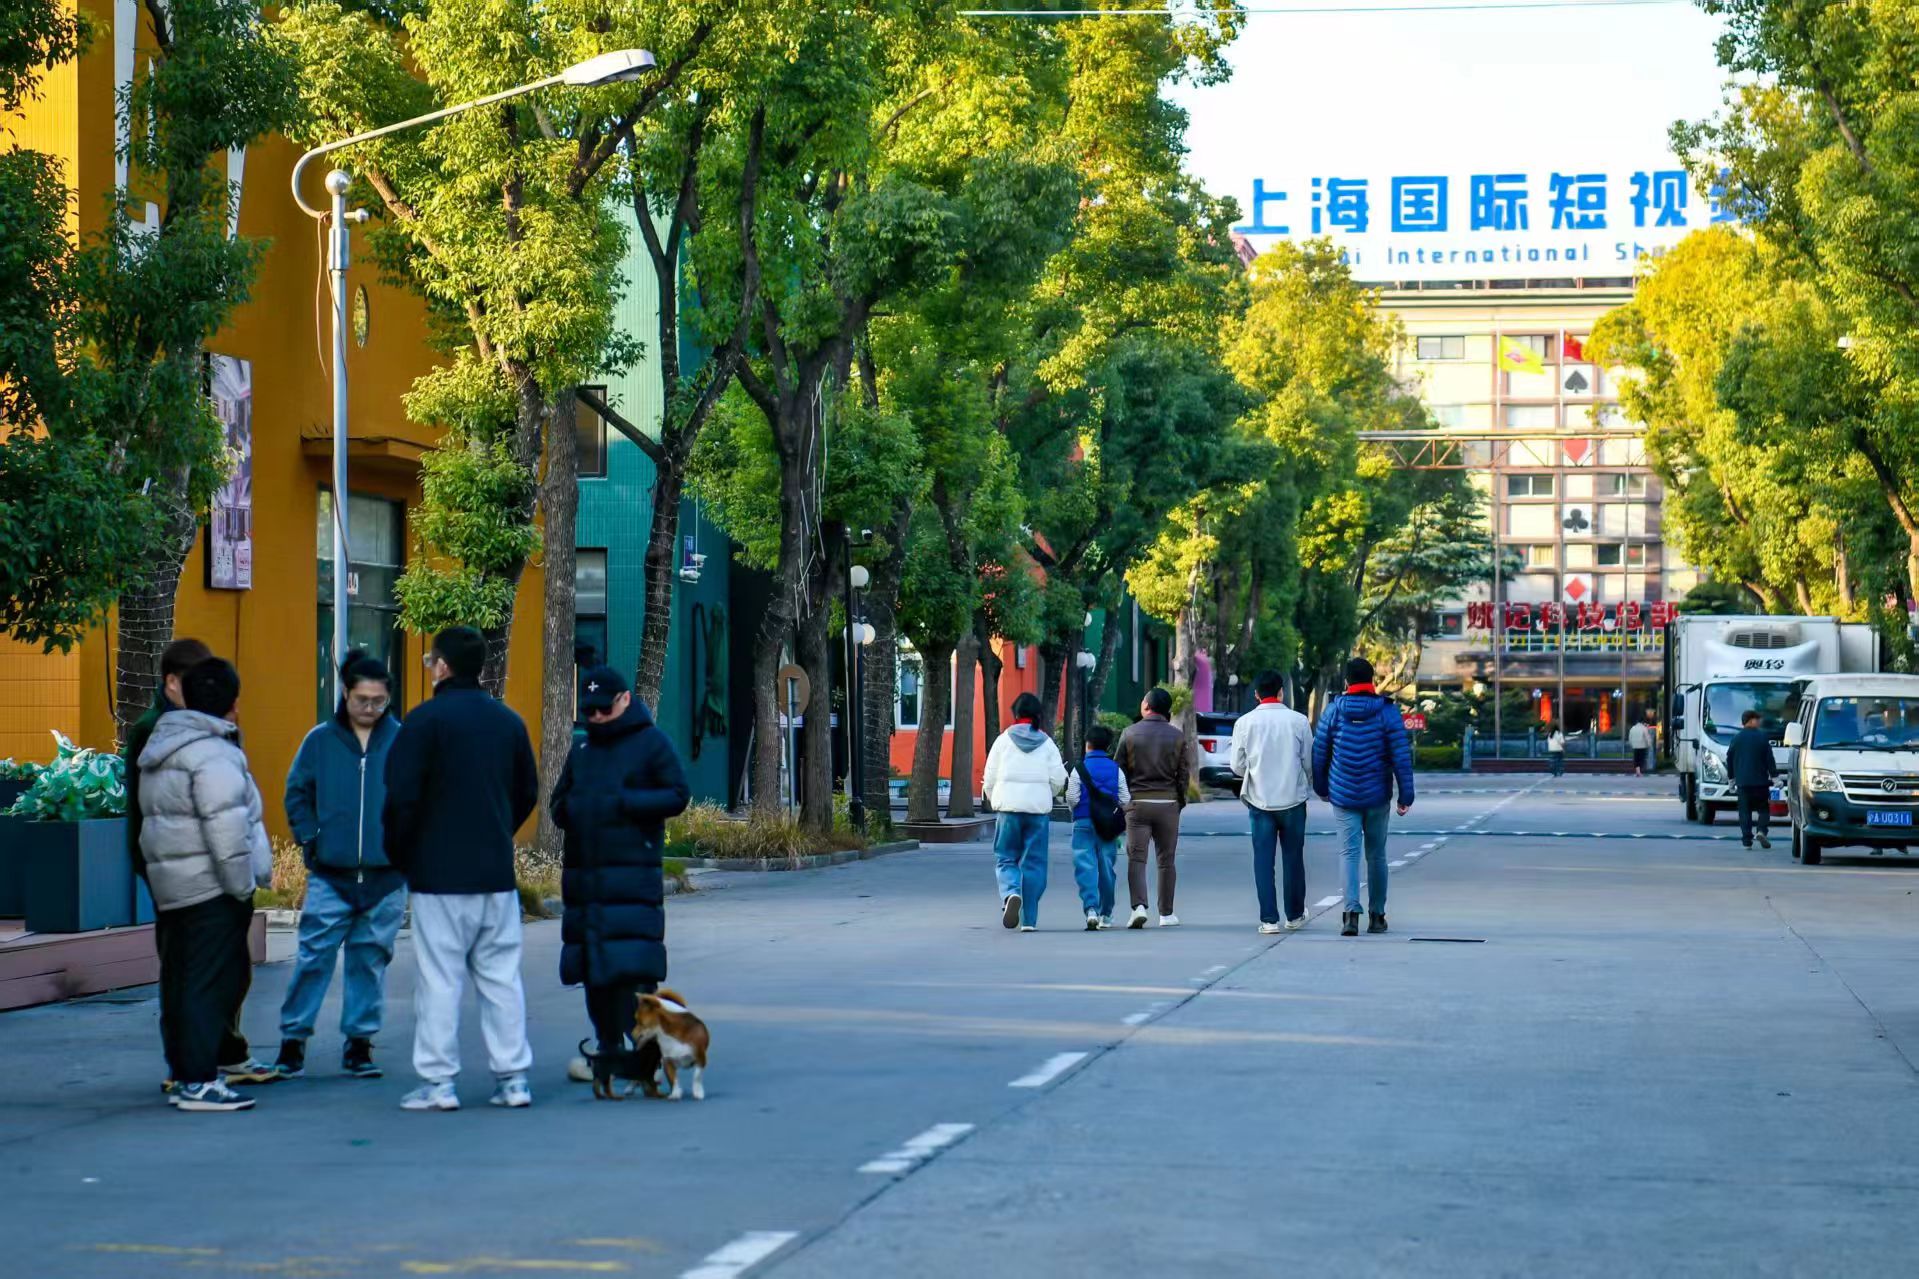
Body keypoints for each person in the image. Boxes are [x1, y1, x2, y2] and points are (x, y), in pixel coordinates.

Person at [384, 626, 540, 1112]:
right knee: (501, 977)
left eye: (432, 661)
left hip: (438, 875)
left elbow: (401, 799)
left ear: (443, 667)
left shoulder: (422, 723)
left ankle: (439, 1082)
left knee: (439, 980)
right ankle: (513, 1078)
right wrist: (498, 829)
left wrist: (404, 855)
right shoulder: (508, 722)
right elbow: (527, 791)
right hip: (494, 872)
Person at [128, 639, 278, 1094]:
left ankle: (198, 1065)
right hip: (206, 884)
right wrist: (242, 886)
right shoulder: (205, 748)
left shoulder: (165, 738)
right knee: (204, 979)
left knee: (191, 977)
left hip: (174, 877)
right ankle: (197, 1076)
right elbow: (226, 827)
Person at [550, 666, 691, 1094]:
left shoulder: (651, 743)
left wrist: (625, 803)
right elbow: (558, 804)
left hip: (632, 878)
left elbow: (677, 794)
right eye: (589, 710)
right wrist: (579, 809)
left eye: (604, 709)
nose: (596, 717)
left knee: (633, 970)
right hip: (588, 880)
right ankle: (607, 1050)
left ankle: (648, 1054)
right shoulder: (583, 749)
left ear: (625, 700)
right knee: (594, 972)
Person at [273, 651, 406, 1081]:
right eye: (362, 699)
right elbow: (297, 792)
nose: (370, 708)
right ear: (345, 693)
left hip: (386, 877)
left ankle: (360, 1045)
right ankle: (293, 1042)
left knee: (369, 960)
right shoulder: (320, 741)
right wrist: (310, 838)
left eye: (379, 701)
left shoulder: (402, 741)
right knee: (313, 957)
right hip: (331, 874)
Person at [1313, 657, 1415, 939]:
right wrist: (1406, 795)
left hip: (1343, 794)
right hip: (1377, 795)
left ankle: (1350, 915)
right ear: (1371, 680)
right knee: (1376, 854)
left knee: (1348, 853)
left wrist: (1322, 788)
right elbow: (1401, 756)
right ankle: (1377, 916)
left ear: (1346, 681)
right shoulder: (1387, 712)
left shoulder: (1333, 711)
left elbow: (1319, 753)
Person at [1232, 670, 1313, 934]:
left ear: (1256, 694)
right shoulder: (1299, 721)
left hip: (1259, 801)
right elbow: (1309, 761)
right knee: (1293, 859)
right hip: (1293, 800)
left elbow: (1236, 765)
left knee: (1263, 861)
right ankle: (1295, 915)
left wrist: (1254, 772)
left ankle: (1268, 920)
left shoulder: (1244, 723)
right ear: (1281, 692)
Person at [981, 692, 1067, 932]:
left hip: (1008, 809)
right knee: (1035, 863)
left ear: (1015, 713)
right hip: (1037, 812)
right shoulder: (1047, 744)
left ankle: (1011, 893)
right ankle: (1029, 919)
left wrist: (994, 798)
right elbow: (1058, 780)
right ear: (1038, 714)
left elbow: (989, 777)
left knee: (1006, 857)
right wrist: (1047, 793)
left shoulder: (1002, 741)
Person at [1115, 687, 1191, 928]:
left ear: (1146, 706)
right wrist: (1179, 802)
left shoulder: (1129, 733)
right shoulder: (1177, 736)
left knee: (1137, 858)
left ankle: (1138, 907)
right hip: (1168, 803)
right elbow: (1183, 774)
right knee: (1166, 860)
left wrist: (1125, 802)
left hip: (1137, 803)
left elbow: (1119, 771)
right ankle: (1166, 914)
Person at [1065, 723, 1131, 930]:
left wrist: (1076, 810)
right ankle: (1106, 913)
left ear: (1088, 744)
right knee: (1106, 867)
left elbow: (1072, 797)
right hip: (1107, 826)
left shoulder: (1079, 769)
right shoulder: (1116, 770)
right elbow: (1125, 799)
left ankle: (1091, 909)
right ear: (1108, 746)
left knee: (1085, 866)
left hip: (1083, 822)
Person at [1728, 709, 1777, 850]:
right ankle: (1761, 831)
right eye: (1757, 719)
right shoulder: (1762, 737)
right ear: (1751, 720)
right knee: (1763, 809)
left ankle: (1747, 841)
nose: (1759, 722)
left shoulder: (1736, 738)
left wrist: (1731, 779)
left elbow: (1729, 759)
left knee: (1744, 812)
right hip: (1760, 782)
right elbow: (1769, 759)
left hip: (1743, 783)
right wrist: (1775, 776)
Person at [1629, 710, 1657, 776]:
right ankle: (1639, 772)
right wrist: (1649, 744)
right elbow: (1647, 737)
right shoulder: (1644, 728)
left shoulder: (1633, 728)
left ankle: (1637, 771)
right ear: (1642, 722)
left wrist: (1631, 744)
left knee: (1636, 759)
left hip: (1635, 746)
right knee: (1641, 759)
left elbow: (1630, 737)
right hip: (1642, 746)